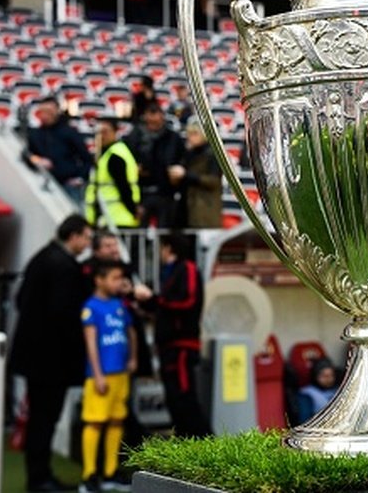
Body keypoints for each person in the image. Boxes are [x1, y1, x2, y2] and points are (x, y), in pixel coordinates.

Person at [10, 215, 94, 493]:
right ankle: (39, 479)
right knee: (44, 419)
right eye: (86, 237)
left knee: (40, 418)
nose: (88, 243)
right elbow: (64, 314)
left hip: (36, 356)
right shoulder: (63, 266)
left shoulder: (44, 257)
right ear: (74, 235)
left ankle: (40, 475)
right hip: (50, 361)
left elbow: (20, 299)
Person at [135, 234, 211, 437]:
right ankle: (185, 441)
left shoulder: (187, 269)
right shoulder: (169, 272)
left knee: (184, 395)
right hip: (168, 346)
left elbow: (188, 302)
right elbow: (165, 305)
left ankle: (202, 441)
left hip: (182, 346)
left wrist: (155, 300)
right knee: (174, 397)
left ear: (168, 248)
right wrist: (148, 303)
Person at [79, 261, 137, 493]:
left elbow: (130, 332)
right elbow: (91, 342)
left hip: (120, 374)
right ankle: (89, 475)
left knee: (116, 420)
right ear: (99, 280)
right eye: (114, 278)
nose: (118, 283)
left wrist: (133, 357)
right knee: (95, 421)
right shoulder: (91, 307)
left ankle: (111, 471)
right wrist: (98, 373)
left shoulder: (119, 304)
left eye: (120, 278)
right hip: (100, 376)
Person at [24, 97, 93, 204]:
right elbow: (27, 155)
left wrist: (80, 178)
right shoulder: (35, 134)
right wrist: (37, 160)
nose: (46, 115)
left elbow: (87, 159)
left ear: (57, 111)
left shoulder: (70, 132)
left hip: (68, 185)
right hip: (44, 183)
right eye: (43, 112)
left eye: (49, 112)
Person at [126, 102, 184, 227]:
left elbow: (181, 160)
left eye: (155, 121)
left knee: (164, 231)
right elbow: (127, 156)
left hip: (165, 192)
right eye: (149, 121)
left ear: (162, 117)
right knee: (139, 233)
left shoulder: (173, 138)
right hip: (141, 191)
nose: (152, 124)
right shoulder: (135, 135)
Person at [86, 118, 140, 229]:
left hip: (117, 218)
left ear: (115, 132)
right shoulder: (108, 154)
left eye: (105, 132)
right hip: (111, 217)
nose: (101, 136)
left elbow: (123, 187)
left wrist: (133, 210)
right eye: (98, 132)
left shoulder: (114, 156)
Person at [169, 121, 223, 228]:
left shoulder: (213, 154)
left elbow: (214, 181)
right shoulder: (188, 154)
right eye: (189, 134)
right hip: (186, 208)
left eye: (194, 134)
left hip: (204, 210)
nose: (190, 137)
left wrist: (186, 175)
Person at [296, 357, 339, 423]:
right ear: (315, 376)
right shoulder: (306, 394)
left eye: (331, 375)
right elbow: (304, 421)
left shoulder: (338, 390)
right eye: (324, 376)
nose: (328, 379)